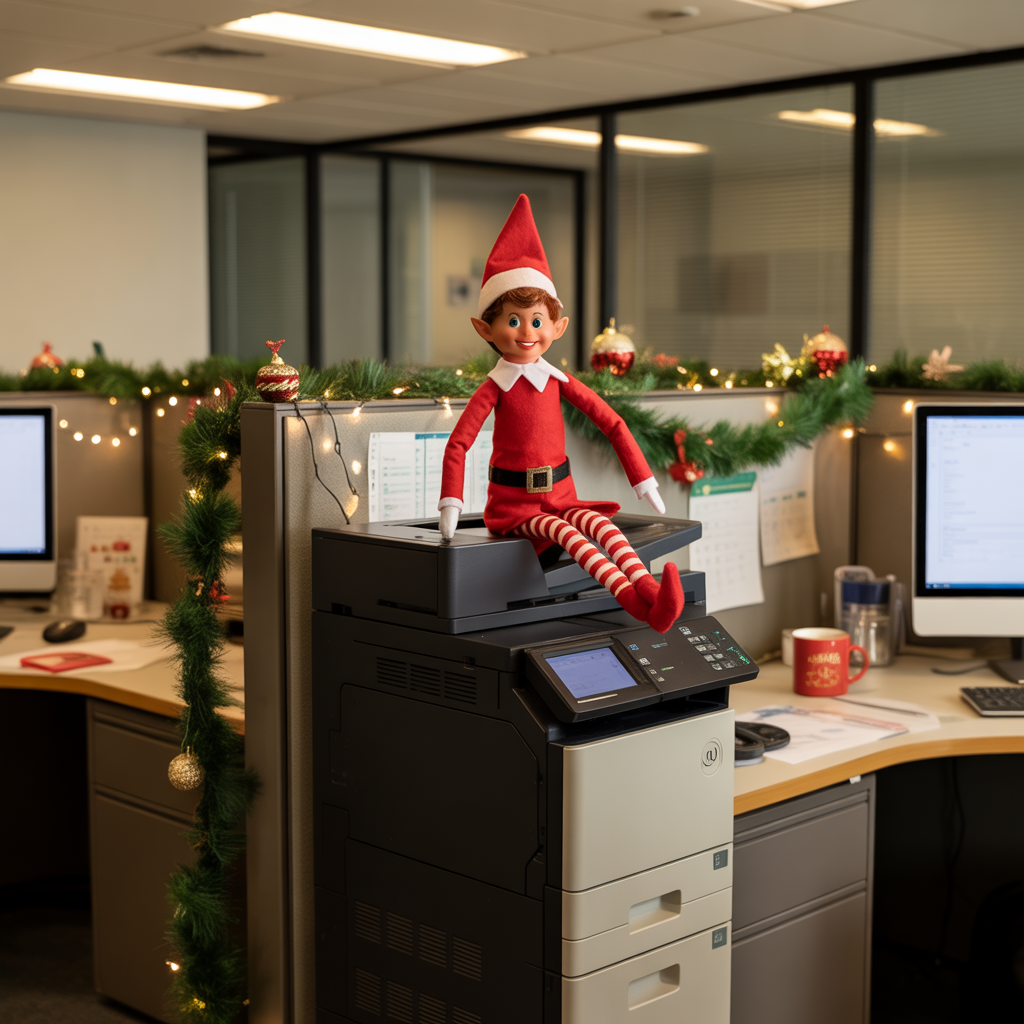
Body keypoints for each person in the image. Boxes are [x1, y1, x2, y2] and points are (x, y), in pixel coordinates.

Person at [437, 195, 684, 632]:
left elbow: (613, 422)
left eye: (536, 321)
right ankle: (634, 602)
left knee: (603, 530)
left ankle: (651, 592)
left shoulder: (558, 381)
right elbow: (459, 443)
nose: (527, 333)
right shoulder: (495, 387)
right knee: (576, 541)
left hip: (562, 496)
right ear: (485, 329)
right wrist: (451, 504)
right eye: (513, 321)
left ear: (557, 327)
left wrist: (643, 481)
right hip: (516, 509)